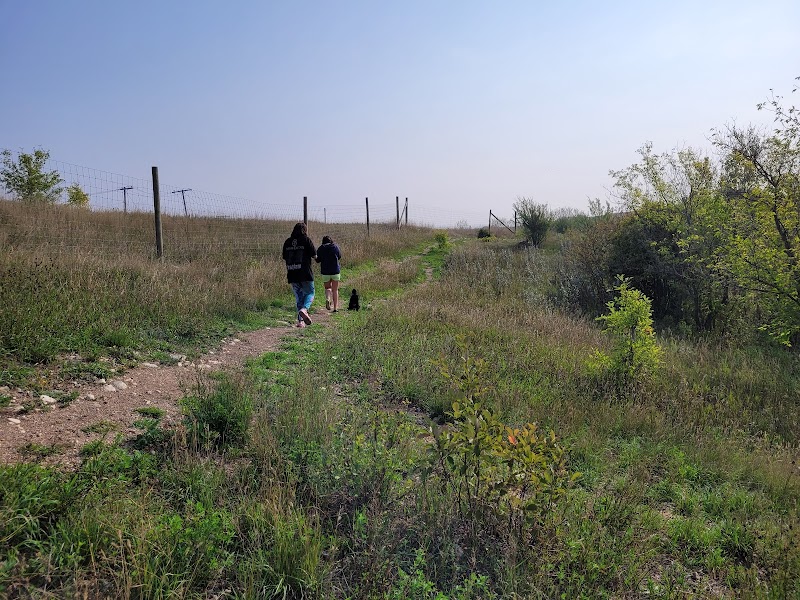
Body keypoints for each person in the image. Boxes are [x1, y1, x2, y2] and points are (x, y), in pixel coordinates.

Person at [282, 222, 316, 327]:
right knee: (310, 293)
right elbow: (314, 255)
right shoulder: (306, 240)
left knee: (299, 297)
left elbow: (284, 257)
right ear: (304, 230)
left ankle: (300, 322)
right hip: (305, 272)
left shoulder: (287, 242)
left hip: (292, 272)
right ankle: (304, 310)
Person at [315, 235, 342, 311]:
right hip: (335, 271)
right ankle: (335, 308)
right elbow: (339, 256)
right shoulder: (335, 247)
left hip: (325, 272)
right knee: (335, 290)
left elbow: (318, 260)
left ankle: (328, 298)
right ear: (331, 241)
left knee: (327, 288)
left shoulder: (321, 248)